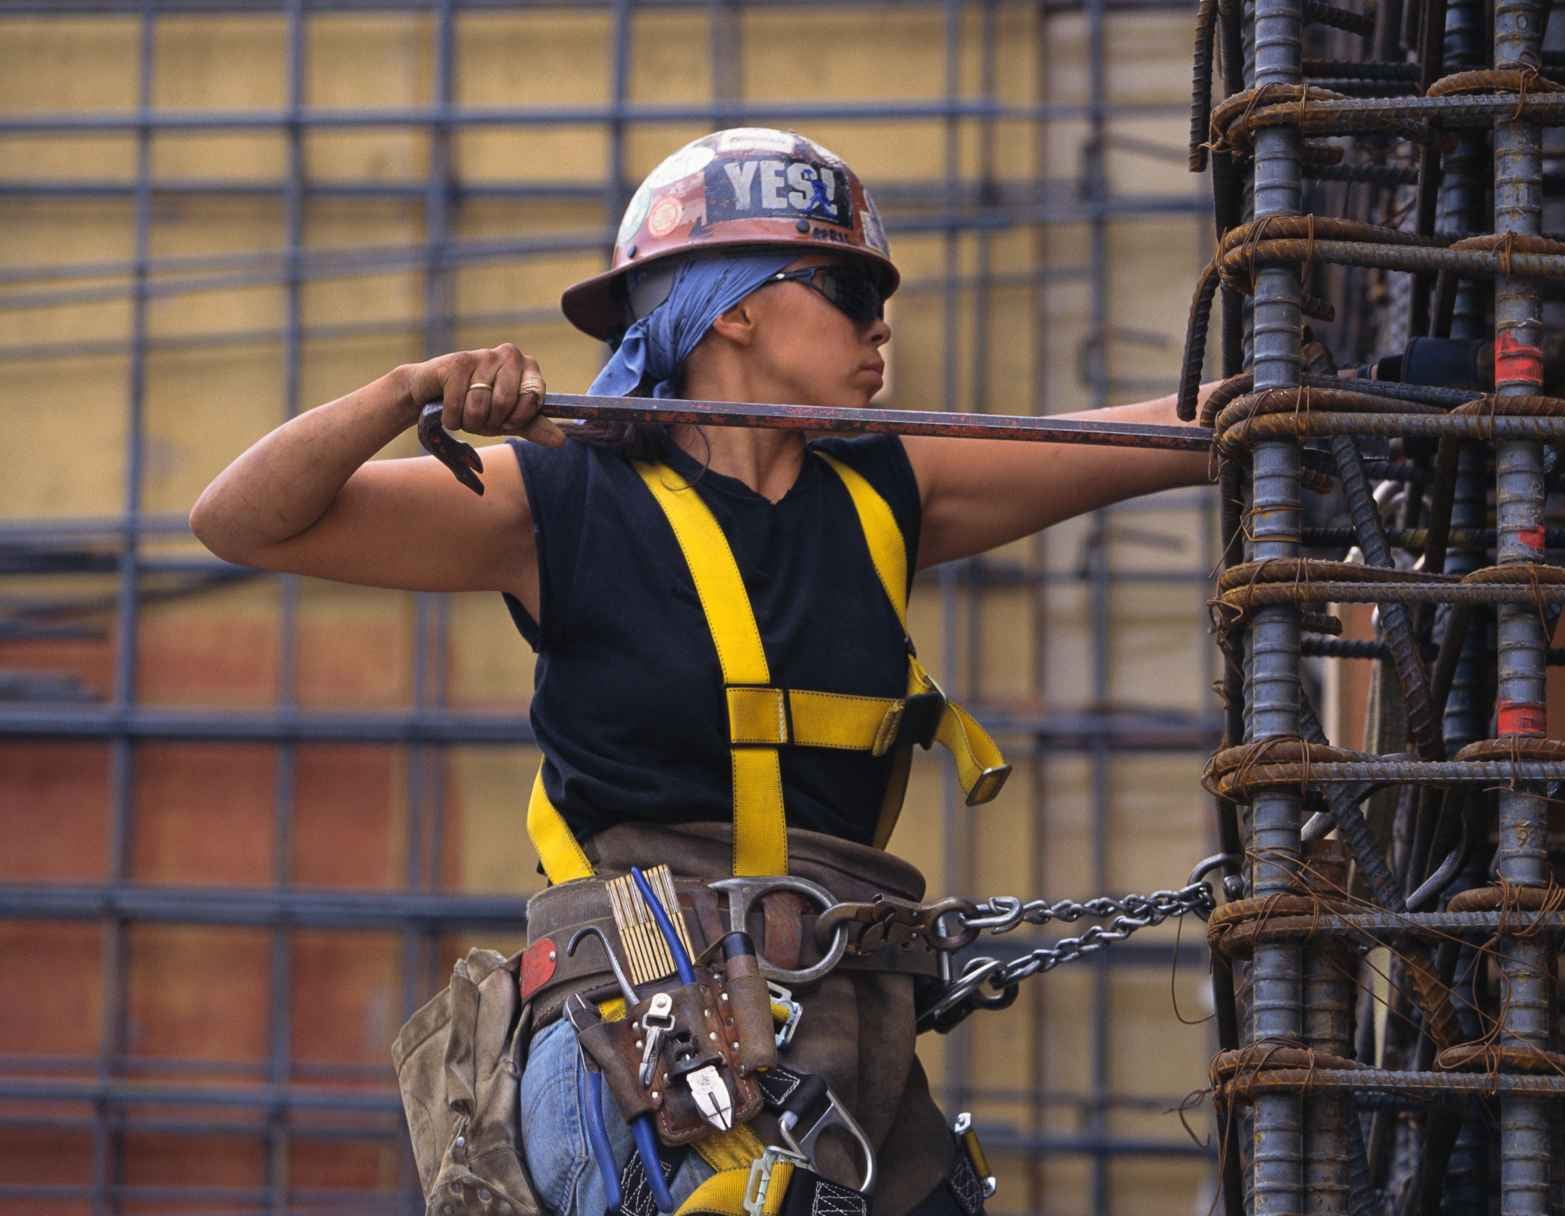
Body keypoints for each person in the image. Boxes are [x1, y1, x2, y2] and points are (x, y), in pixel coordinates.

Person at [191, 129, 1214, 1215]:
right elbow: (241, 520)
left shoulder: (883, 488)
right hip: (646, 1036)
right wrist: (408, 392)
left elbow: (1170, 435)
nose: (879, 321)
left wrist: (1324, 392)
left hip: (842, 1036)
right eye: (842, 284)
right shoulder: (561, 498)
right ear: (731, 308)